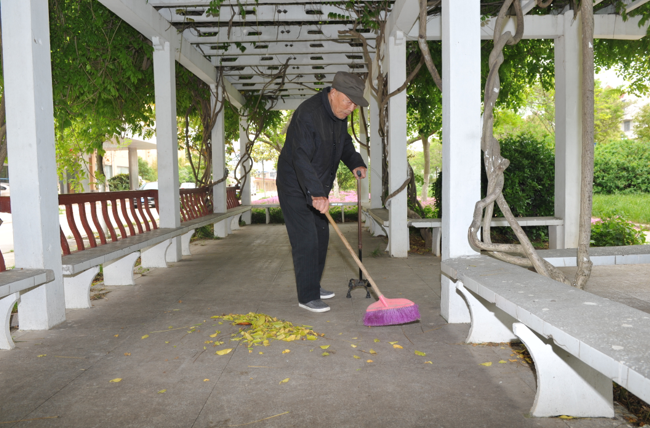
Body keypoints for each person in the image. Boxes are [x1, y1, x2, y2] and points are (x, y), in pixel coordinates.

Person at [277, 72, 368, 313]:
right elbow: (300, 157)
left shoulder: (339, 114)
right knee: (306, 238)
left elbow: (343, 142)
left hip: (317, 184)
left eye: (355, 104)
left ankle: (313, 285)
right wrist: (316, 194)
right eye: (348, 101)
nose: (351, 108)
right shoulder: (308, 114)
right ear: (334, 92)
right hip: (295, 184)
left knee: (321, 235)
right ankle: (307, 297)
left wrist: (355, 162)